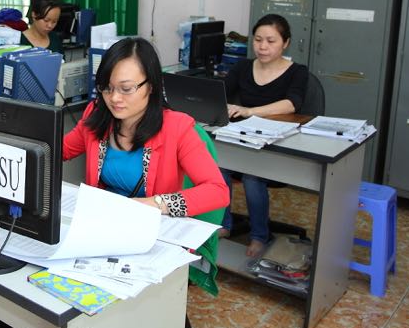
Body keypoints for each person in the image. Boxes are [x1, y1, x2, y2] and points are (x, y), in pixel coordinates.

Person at [63, 37, 229, 217]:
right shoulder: (97, 115)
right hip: (104, 221)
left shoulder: (177, 128)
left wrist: (157, 204)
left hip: (151, 227)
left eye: (126, 89)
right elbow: (57, 150)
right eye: (107, 88)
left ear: (151, 86)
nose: (114, 98)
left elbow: (217, 191)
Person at [220, 13, 309, 256]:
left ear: (286, 43)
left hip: (276, 150)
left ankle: (260, 235)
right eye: (258, 40)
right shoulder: (243, 67)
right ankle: (224, 224)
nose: (262, 46)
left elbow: (293, 104)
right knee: (218, 165)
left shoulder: (297, 72)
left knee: (252, 175)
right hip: (245, 141)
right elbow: (221, 94)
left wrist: (250, 111)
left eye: (271, 41)